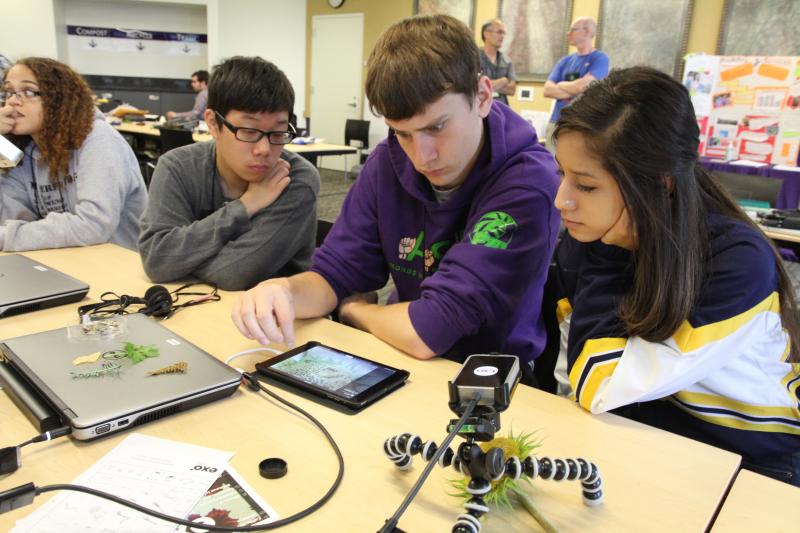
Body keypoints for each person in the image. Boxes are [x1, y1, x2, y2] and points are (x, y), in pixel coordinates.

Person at [232, 15, 559, 375]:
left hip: (492, 376)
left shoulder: (528, 182)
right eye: (402, 133)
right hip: (397, 349)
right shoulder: (388, 161)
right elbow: (335, 274)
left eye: (436, 127)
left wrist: (356, 311)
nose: (421, 156)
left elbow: (432, 330)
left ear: (482, 96)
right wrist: (284, 292)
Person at [551, 66, 800, 485]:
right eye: (561, 173)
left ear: (657, 184)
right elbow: (571, 376)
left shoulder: (736, 261)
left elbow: (601, 381)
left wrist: (611, 258)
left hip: (755, 465)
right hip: (650, 441)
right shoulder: (589, 238)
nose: (562, 200)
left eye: (586, 186)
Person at [138, 56, 319, 291]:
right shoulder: (177, 166)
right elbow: (158, 260)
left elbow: (234, 275)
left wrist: (182, 262)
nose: (264, 150)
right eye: (248, 131)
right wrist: (245, 206)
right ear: (213, 123)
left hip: (278, 320)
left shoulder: (294, 180)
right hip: (196, 309)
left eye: (277, 133)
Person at [0, 57, 146, 251]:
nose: (12, 101)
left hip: (119, 268)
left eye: (28, 91)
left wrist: (7, 238)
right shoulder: (24, 149)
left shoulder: (99, 139)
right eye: (8, 92)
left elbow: (94, 224)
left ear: (58, 99)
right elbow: (10, 215)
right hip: (64, 262)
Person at [543, 17, 609, 145]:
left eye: (573, 30)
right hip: (557, 121)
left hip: (583, 123)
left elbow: (584, 87)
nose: (569, 33)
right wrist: (574, 88)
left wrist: (561, 84)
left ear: (586, 32)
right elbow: (547, 90)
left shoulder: (600, 59)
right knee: (551, 163)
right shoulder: (564, 61)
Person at [479, 18, 517, 105]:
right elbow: (474, 86)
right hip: (479, 109)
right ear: (486, 34)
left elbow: (512, 90)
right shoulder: (474, 58)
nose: (502, 36)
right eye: (499, 32)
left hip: (501, 110)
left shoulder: (507, 61)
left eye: (504, 33)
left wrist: (486, 85)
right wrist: (502, 81)